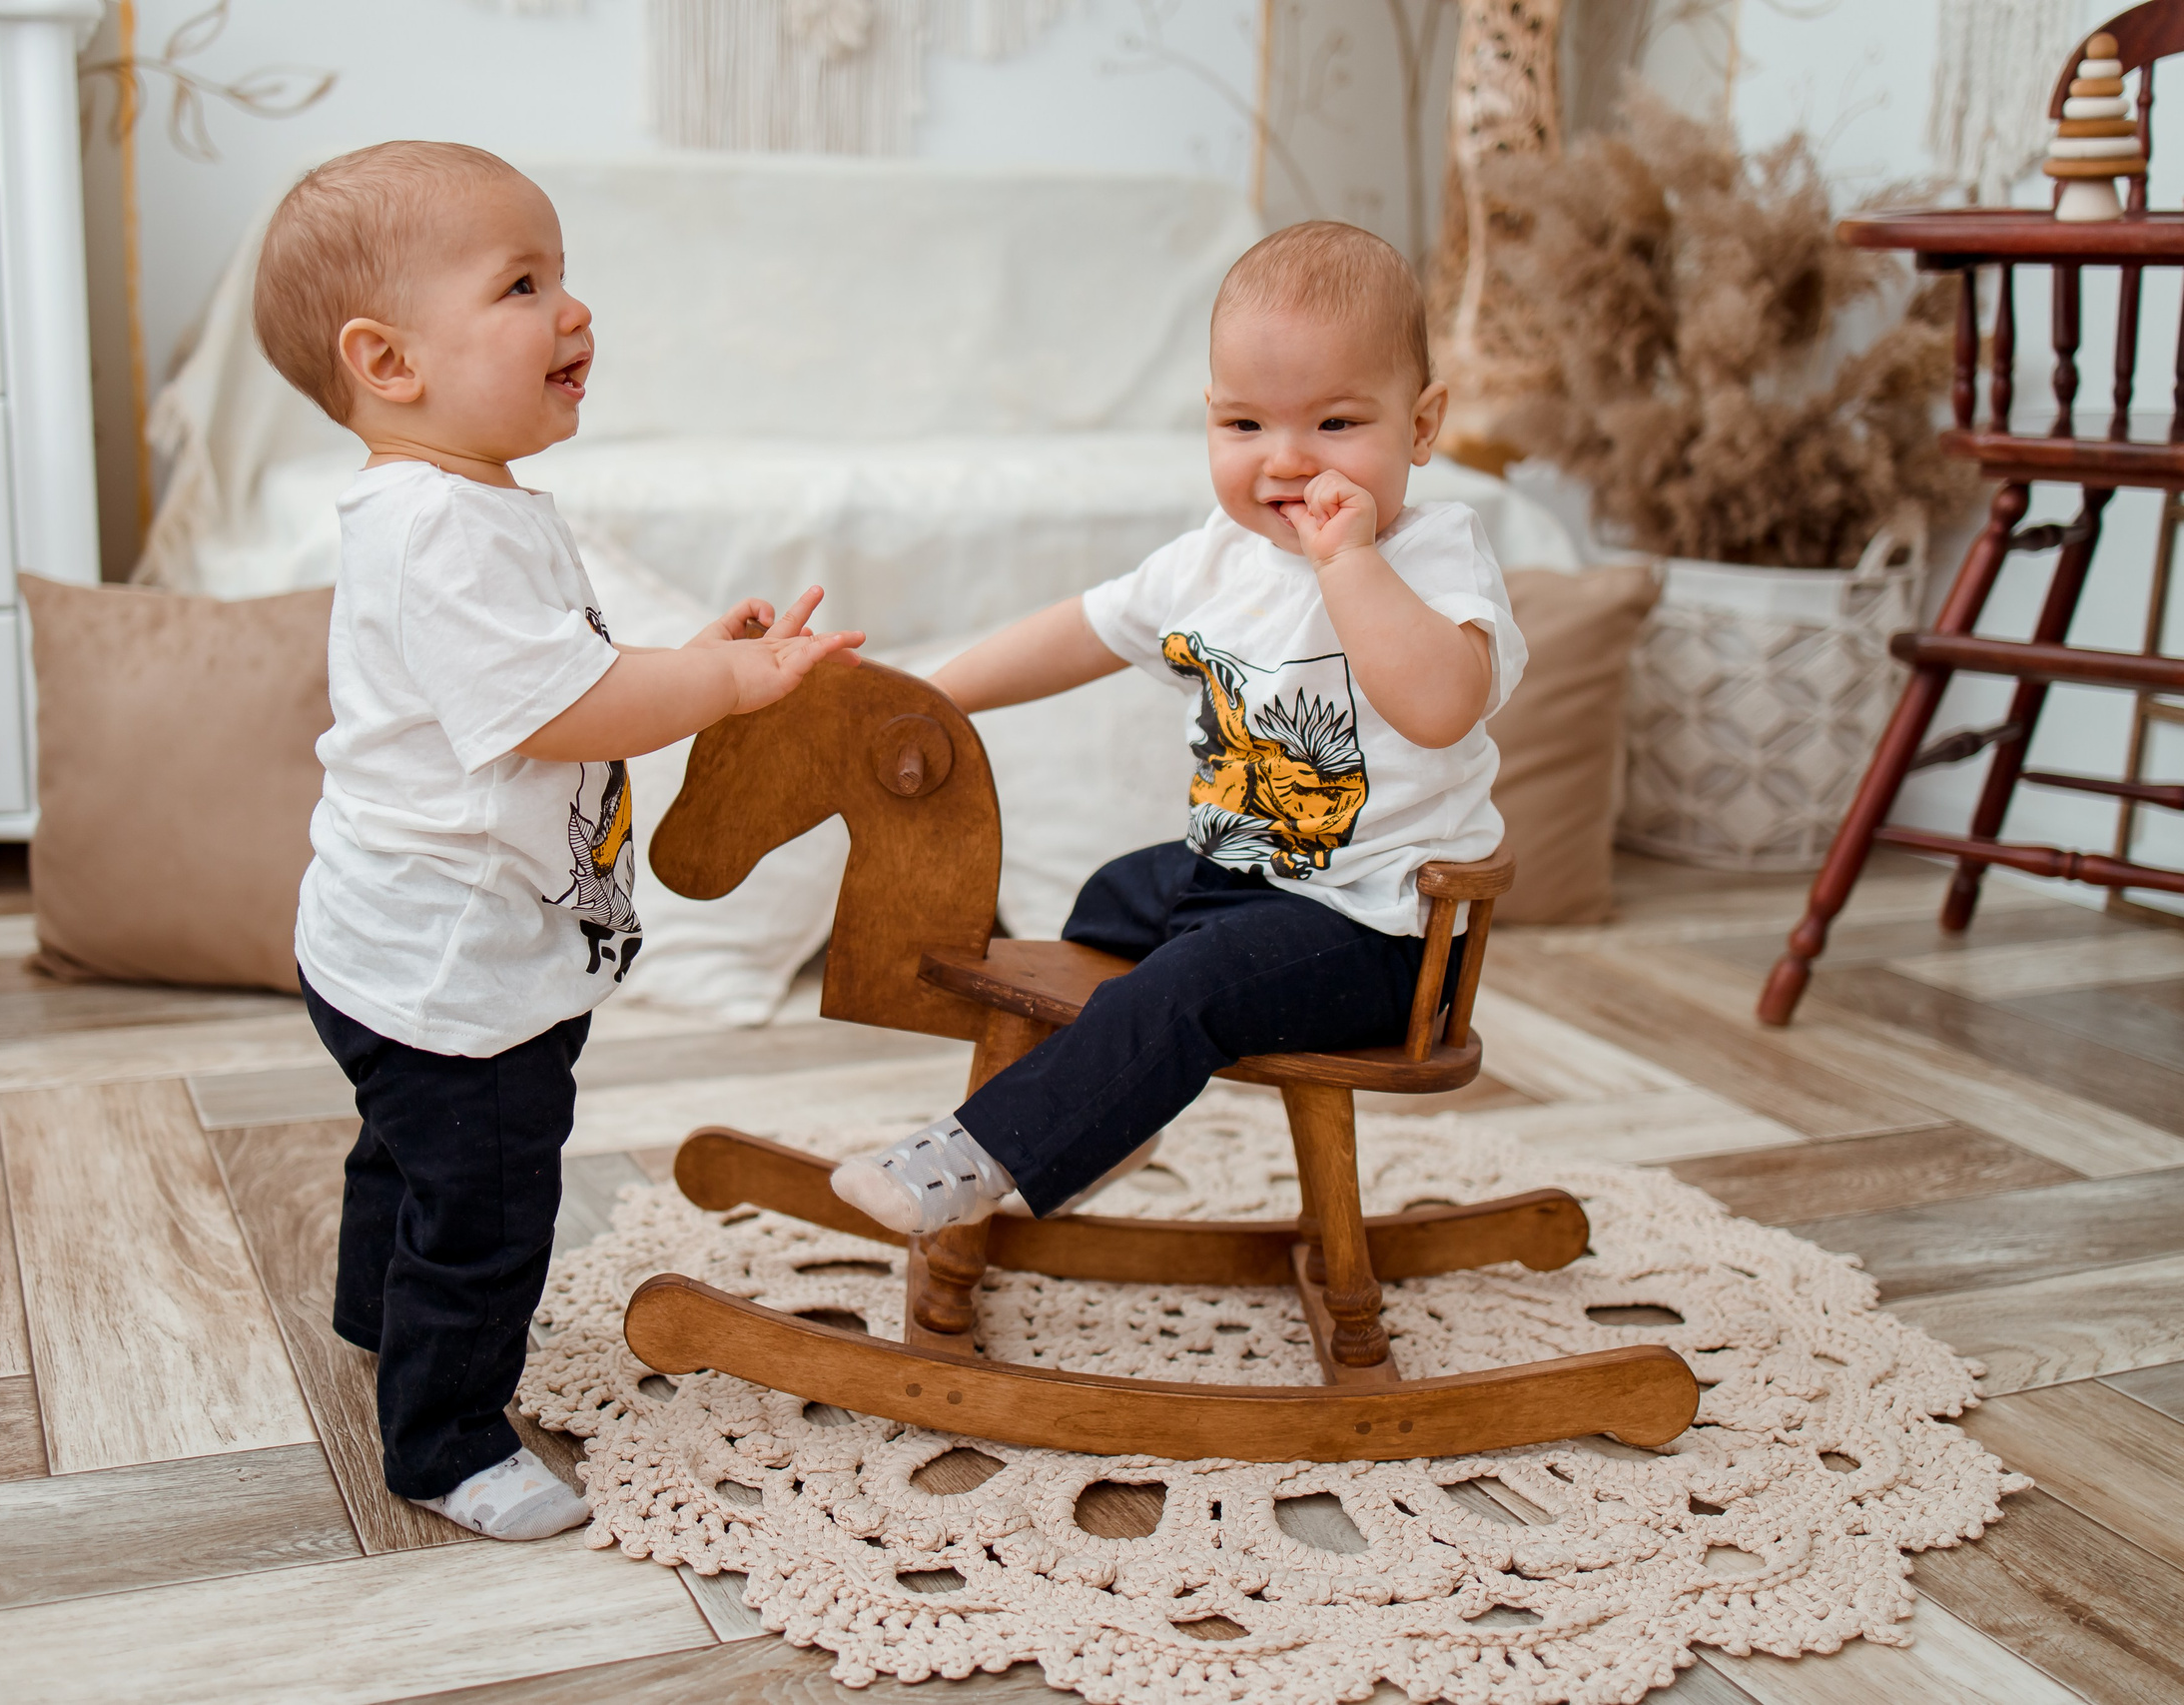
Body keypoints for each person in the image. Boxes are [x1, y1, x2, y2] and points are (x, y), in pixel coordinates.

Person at [253, 141, 861, 1539]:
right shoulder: (441, 529)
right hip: (452, 967)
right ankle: (447, 1438)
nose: (574, 313)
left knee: (401, 1155)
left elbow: (556, 668)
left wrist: (683, 654)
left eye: (566, 276)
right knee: (488, 1197)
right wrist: (728, 683)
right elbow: (568, 708)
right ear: (387, 361)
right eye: (524, 284)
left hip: (397, 945)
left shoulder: (462, 506)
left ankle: (374, 1309)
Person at [831, 220, 1525, 1236]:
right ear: (1208, 420)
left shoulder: (1434, 559)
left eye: (1335, 426)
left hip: (1380, 929)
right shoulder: (1213, 559)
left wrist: (1348, 565)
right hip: (1239, 879)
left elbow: (1437, 705)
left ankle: (986, 1147)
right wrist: (928, 697)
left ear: (1419, 428)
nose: (1286, 463)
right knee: (1109, 897)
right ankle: (1110, 1110)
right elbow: (1080, 631)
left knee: (1189, 985)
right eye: (1245, 428)